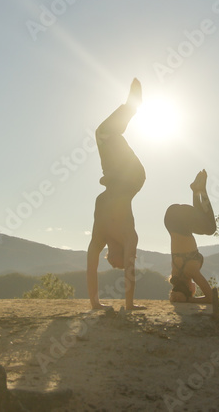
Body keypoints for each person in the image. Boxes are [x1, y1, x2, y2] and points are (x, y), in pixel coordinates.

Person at [87, 79, 147, 310]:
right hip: (132, 178)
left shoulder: (100, 236)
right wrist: (129, 305)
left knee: (104, 133)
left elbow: (91, 268)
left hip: (114, 175)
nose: (113, 266)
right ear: (121, 255)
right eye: (117, 266)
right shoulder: (128, 237)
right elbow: (130, 270)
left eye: (114, 266)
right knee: (106, 133)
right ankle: (132, 106)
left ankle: (132, 106)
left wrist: (95, 304)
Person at [165, 169, 219, 315]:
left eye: (193, 291)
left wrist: (191, 300)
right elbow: (175, 295)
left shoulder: (192, 272)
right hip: (171, 220)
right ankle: (196, 190)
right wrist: (180, 297)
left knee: (210, 228)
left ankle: (200, 189)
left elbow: (210, 299)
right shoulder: (175, 274)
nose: (196, 290)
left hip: (180, 221)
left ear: (190, 288)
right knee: (203, 223)